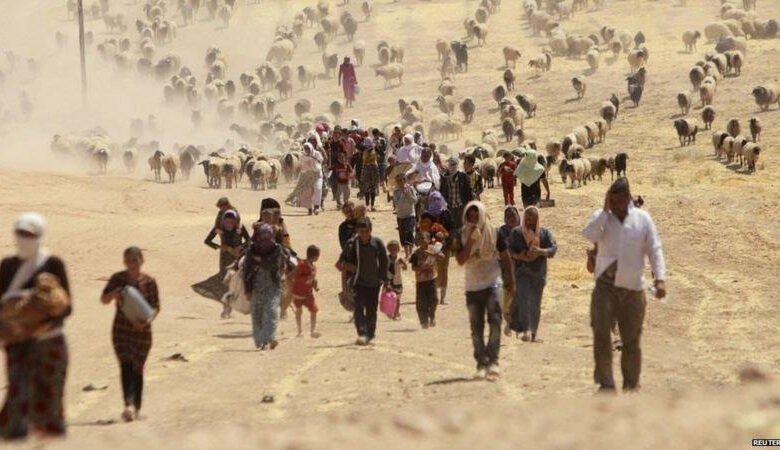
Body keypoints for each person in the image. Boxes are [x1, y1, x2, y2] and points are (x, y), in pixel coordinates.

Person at [583, 178, 666, 392]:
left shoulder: (642, 219)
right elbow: (589, 234)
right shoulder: (602, 218)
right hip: (605, 286)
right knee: (601, 334)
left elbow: (654, 249)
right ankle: (606, 383)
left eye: (619, 201)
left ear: (628, 198)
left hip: (633, 287)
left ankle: (631, 383)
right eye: (612, 201)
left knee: (631, 339)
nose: (616, 206)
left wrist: (660, 279)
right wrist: (604, 211)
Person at [0, 213, 71, 439]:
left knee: (50, 399)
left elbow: (67, 307)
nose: (24, 239)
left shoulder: (53, 264)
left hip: (49, 342)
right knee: (18, 394)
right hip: (18, 343)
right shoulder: (7, 266)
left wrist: (43, 316)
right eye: (20, 233)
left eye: (29, 235)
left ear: (39, 235)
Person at [455, 202, 515, 381]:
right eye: (470, 215)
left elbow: (505, 257)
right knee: (476, 328)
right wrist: (471, 240)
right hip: (473, 286)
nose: (474, 219)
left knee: (495, 322)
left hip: (493, 284)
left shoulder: (495, 233)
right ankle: (481, 363)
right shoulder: (461, 234)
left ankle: (493, 361)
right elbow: (461, 260)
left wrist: (511, 280)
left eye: (477, 215)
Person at [101, 247, 161, 422]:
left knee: (138, 367)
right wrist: (113, 295)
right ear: (124, 262)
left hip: (143, 332)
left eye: (135, 260)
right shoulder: (117, 279)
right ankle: (128, 405)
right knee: (125, 363)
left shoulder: (149, 282)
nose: (132, 264)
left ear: (142, 261)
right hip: (121, 330)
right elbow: (103, 299)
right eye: (128, 260)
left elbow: (156, 307)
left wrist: (144, 323)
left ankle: (137, 407)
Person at [508, 206, 557, 342]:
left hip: (538, 273)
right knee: (524, 300)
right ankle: (526, 330)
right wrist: (519, 256)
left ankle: (534, 332)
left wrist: (541, 251)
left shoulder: (544, 233)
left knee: (535, 303)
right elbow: (508, 250)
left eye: (533, 218)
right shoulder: (516, 233)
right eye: (528, 218)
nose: (530, 221)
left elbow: (553, 248)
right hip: (522, 272)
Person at [338, 218, 389, 345]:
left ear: (370, 230)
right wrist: (348, 266)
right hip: (358, 282)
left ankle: (370, 334)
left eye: (366, 231)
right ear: (357, 231)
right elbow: (341, 261)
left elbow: (384, 261)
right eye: (361, 232)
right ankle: (362, 333)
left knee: (371, 309)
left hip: (374, 283)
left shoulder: (377, 243)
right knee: (358, 308)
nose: (364, 235)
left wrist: (384, 280)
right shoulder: (351, 244)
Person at [243, 224, 286, 350]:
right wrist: (247, 290)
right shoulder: (252, 249)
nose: (265, 239)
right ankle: (260, 341)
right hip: (256, 286)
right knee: (257, 314)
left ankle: (269, 339)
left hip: (273, 285)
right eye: (263, 236)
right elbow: (246, 270)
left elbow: (274, 266)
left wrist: (259, 261)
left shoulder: (277, 249)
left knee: (271, 312)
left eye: (268, 236)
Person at [423, 192, 455, 305]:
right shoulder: (426, 215)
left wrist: (446, 239)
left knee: (444, 269)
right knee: (432, 269)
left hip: (445, 246)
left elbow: (452, 229)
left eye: (437, 199)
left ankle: (443, 297)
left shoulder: (446, 213)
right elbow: (423, 230)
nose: (435, 202)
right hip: (431, 247)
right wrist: (431, 240)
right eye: (433, 199)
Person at [410, 233, 443, 329]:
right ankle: (424, 321)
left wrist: (431, 254)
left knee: (434, 299)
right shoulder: (416, 253)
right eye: (419, 239)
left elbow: (442, 257)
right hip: (420, 281)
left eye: (423, 238)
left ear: (428, 240)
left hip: (432, 279)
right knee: (421, 302)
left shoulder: (433, 249)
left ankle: (432, 316)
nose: (421, 240)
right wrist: (422, 269)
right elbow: (413, 267)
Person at [204, 209, 250, 276]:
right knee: (225, 275)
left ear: (235, 222)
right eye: (226, 222)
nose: (229, 224)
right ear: (223, 221)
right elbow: (207, 241)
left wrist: (240, 247)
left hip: (238, 254)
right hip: (225, 255)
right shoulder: (219, 227)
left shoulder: (240, 227)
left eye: (232, 222)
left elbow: (249, 240)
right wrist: (220, 247)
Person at [498, 206, 520, 335]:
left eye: (514, 215)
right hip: (506, 271)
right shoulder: (501, 232)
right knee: (506, 301)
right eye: (509, 216)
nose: (512, 218)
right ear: (505, 219)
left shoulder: (525, 229)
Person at [292, 245, 321, 338]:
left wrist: (315, 286)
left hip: (308, 293)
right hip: (298, 293)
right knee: (299, 310)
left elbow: (313, 280)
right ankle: (299, 331)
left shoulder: (313, 267)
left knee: (314, 310)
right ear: (314, 256)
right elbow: (295, 277)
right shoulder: (301, 265)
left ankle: (313, 331)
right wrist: (307, 278)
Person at [286, 143, 324, 215]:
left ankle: (316, 207)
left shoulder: (316, 154)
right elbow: (301, 165)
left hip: (317, 174)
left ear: (311, 148)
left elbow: (321, 160)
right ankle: (309, 209)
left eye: (308, 148)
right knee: (307, 192)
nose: (307, 150)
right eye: (305, 149)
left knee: (318, 189)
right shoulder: (302, 156)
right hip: (307, 175)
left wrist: (315, 161)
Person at [439, 156, 474, 233]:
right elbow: (442, 191)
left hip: (461, 205)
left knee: (462, 226)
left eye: (454, 164)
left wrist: (471, 205)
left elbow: (468, 192)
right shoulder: (445, 177)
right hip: (449, 206)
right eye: (450, 164)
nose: (452, 166)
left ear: (457, 165)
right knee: (451, 226)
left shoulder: (463, 177)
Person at [393, 173, 417, 259]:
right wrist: (403, 196)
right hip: (401, 216)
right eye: (399, 180)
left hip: (410, 214)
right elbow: (398, 205)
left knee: (409, 232)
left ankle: (410, 252)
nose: (402, 181)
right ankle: (407, 253)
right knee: (403, 234)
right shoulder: (396, 192)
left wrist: (408, 194)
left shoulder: (411, 189)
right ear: (397, 181)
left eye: (403, 179)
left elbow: (414, 201)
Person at [386, 240, 407, 320]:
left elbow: (405, 268)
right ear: (388, 249)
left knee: (397, 299)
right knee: (389, 298)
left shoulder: (399, 259)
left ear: (398, 249)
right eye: (391, 249)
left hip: (397, 281)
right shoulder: (386, 259)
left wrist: (404, 263)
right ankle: (390, 311)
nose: (393, 251)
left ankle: (396, 313)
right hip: (388, 282)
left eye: (395, 249)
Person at [360, 138, 380, 211]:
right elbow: (364, 160)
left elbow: (378, 157)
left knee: (373, 189)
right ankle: (367, 205)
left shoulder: (374, 150)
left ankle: (372, 205)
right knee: (367, 189)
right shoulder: (365, 152)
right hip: (367, 170)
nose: (367, 147)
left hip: (374, 169)